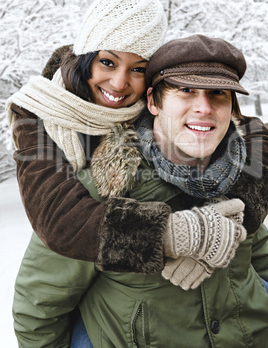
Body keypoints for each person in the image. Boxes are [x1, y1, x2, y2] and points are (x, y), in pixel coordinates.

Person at [10, 35, 268, 347]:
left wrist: (228, 232)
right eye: (186, 91)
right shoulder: (101, 190)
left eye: (219, 94)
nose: (204, 107)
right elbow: (38, 309)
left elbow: (259, 260)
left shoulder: (241, 175)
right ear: (153, 102)